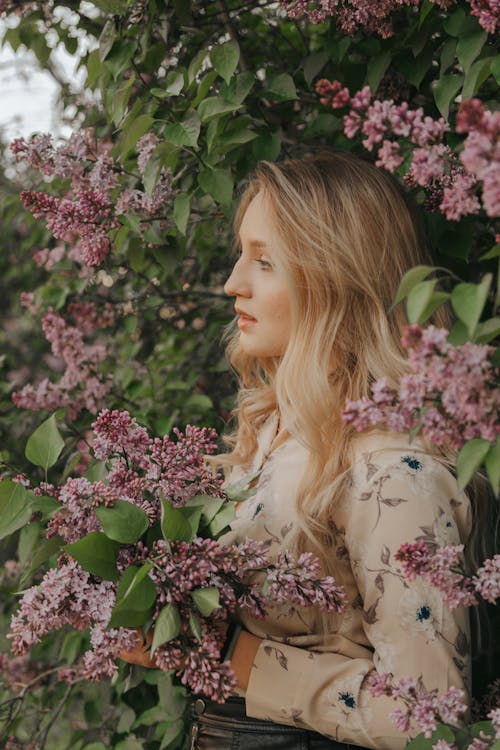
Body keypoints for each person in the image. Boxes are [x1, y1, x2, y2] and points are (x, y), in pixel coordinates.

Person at [123, 152, 475, 750]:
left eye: (265, 261)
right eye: (242, 254)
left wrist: (233, 658)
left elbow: (427, 721)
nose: (233, 282)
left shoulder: (395, 473)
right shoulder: (277, 432)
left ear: (336, 275)